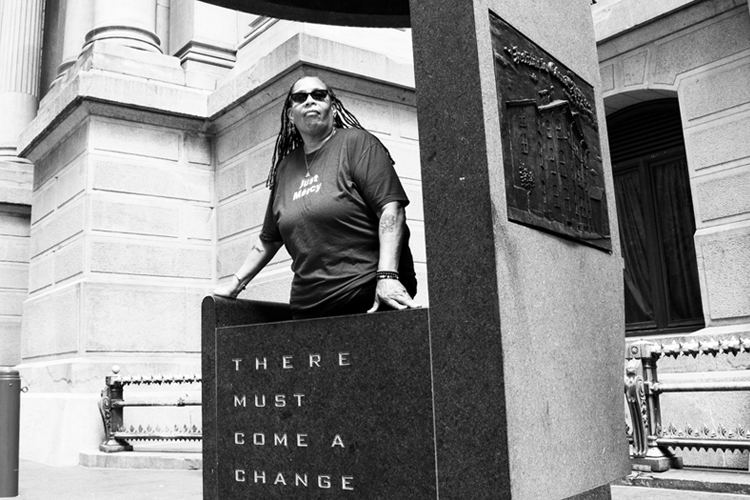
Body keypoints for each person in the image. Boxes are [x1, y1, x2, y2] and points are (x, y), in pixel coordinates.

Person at [212, 75, 420, 319]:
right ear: (291, 114)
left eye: (319, 95)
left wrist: (387, 277)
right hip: (307, 305)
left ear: (332, 107)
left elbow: (391, 209)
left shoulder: (357, 144)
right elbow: (269, 239)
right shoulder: (285, 168)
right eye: (300, 98)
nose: (310, 101)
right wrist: (235, 285)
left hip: (364, 295)